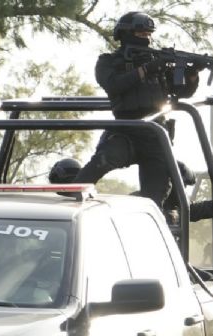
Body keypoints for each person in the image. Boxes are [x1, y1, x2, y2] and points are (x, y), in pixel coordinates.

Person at [74, 11, 202, 208]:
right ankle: (70, 196)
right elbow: (114, 85)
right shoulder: (109, 61)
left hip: (155, 134)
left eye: (148, 34)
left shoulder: (159, 61)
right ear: (125, 34)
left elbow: (181, 92)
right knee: (100, 164)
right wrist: (146, 69)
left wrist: (192, 74)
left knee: (156, 197)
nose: (146, 38)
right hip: (126, 129)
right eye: (141, 34)